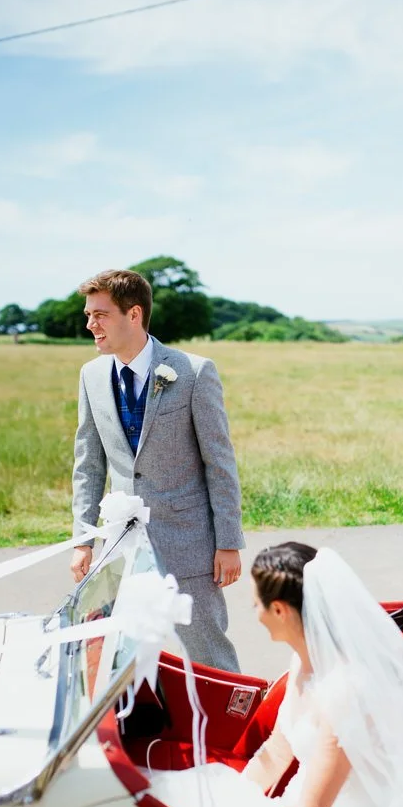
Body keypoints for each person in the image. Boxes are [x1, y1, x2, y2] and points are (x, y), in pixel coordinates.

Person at [148, 542, 403, 807]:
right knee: (158, 806)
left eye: (256, 605)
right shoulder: (305, 661)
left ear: (279, 611)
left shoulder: (347, 694)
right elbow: (275, 752)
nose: (255, 615)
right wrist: (228, 801)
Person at [70, 268, 244, 673]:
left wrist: (229, 541)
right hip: (121, 546)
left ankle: (237, 733)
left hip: (190, 542)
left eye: (100, 315)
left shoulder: (193, 372)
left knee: (209, 655)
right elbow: (88, 464)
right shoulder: (92, 376)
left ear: (134, 315)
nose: (89, 324)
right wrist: (83, 538)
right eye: (88, 314)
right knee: (119, 654)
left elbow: (219, 462)